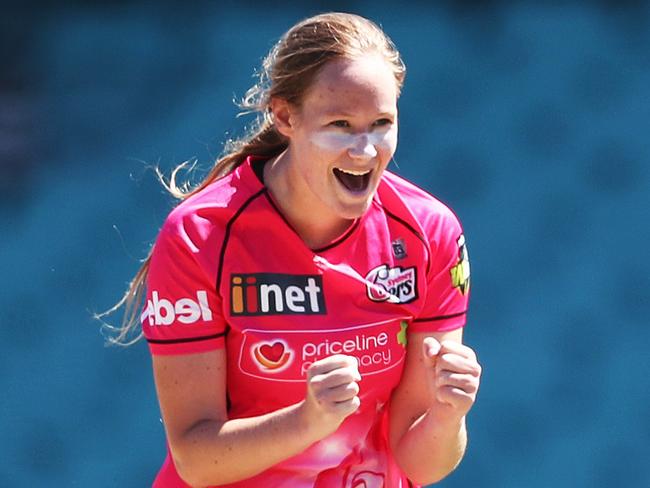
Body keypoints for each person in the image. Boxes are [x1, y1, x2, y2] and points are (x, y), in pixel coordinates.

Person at [110, 12, 481, 487]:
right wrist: (308, 420)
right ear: (285, 116)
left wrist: (449, 416)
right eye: (341, 124)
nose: (365, 150)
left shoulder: (431, 232)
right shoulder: (200, 236)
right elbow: (195, 461)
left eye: (381, 123)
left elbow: (418, 464)